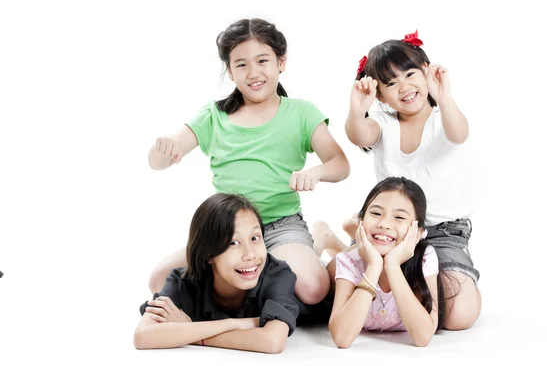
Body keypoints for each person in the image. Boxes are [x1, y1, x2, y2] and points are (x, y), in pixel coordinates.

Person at [147, 18, 350, 305]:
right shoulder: (213, 116)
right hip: (227, 229)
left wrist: (316, 172)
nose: (253, 73)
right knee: (159, 280)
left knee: (313, 289)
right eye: (241, 64)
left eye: (262, 61)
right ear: (230, 71)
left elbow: (340, 163)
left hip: (282, 225)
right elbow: (158, 162)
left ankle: (316, 241)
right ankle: (258, 271)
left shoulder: (302, 113)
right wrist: (163, 150)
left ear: (281, 61)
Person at [319, 30, 480, 330]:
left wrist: (444, 97)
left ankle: (350, 235)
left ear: (426, 71)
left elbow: (459, 133)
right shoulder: (383, 123)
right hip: (391, 227)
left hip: (442, 231)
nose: (404, 87)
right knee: (327, 286)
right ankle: (336, 242)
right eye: (391, 83)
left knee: (458, 314)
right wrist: (357, 111)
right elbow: (360, 135)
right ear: (379, 94)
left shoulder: (442, 118)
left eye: (409, 74)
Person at [134, 193, 300, 353]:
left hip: (319, 305)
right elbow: (143, 336)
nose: (250, 254)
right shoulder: (183, 282)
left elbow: (272, 341)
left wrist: (190, 331)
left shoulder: (277, 275)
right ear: (208, 254)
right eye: (234, 243)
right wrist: (233, 324)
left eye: (255, 238)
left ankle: (324, 243)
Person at [325, 177, 445, 348]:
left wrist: (392, 266)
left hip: (390, 249)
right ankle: (328, 239)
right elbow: (342, 339)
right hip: (349, 260)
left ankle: (338, 240)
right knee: (322, 279)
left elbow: (423, 337)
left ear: (417, 233)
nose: (384, 223)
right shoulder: (349, 261)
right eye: (375, 213)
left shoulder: (425, 257)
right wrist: (374, 266)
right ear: (361, 221)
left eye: (399, 217)